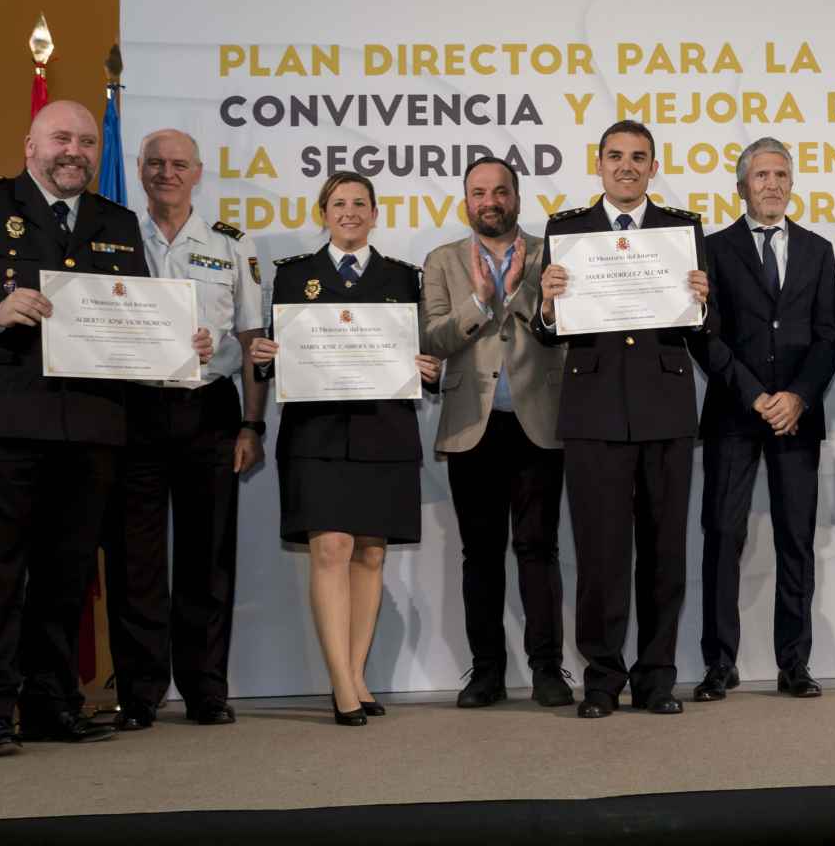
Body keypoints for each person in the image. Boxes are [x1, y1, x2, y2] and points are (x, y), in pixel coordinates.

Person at [0, 100, 203, 756]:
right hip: (2, 418)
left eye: (88, 142)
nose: (76, 150)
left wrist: (179, 341)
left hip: (91, 422)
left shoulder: (116, 221)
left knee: (68, 572)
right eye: (61, 138)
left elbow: (136, 317)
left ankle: (49, 702)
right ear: (30, 144)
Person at [532, 119, 715, 718]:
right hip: (593, 413)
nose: (627, 166)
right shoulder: (566, 232)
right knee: (601, 555)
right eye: (616, 157)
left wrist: (703, 300)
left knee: (665, 553)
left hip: (665, 412)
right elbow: (546, 332)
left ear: (653, 167)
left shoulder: (682, 231)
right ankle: (603, 678)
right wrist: (548, 303)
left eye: (639, 157)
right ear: (600, 164)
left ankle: (658, 676)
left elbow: (704, 331)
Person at [250, 171, 442, 725]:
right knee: (330, 546)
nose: (350, 212)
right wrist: (265, 356)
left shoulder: (405, 278)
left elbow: (422, 359)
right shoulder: (294, 277)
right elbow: (276, 355)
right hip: (316, 435)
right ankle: (340, 684)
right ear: (323, 212)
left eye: (361, 203)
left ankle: (357, 674)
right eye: (339, 203)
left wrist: (428, 370)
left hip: (385, 432)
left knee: (371, 553)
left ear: (375, 213)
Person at [101, 129, 267, 730]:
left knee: (209, 556)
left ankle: (205, 689)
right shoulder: (112, 238)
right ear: (140, 171)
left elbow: (252, 343)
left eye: (178, 164)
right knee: (133, 558)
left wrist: (254, 424)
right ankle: (139, 693)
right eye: (155, 164)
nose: (166, 173)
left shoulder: (231, 245)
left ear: (198, 173)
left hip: (209, 411)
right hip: (134, 412)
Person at [421, 156, 573, 709]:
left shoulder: (550, 253)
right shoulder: (441, 261)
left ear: (517, 197)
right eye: (480, 192)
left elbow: (565, 328)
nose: (491, 200)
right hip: (471, 427)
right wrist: (485, 298)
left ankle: (548, 671)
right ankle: (485, 672)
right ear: (466, 200)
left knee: (539, 549)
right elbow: (435, 338)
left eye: (501, 191)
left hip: (539, 423)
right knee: (479, 553)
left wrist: (523, 291)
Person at [693, 137, 835, 702]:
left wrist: (798, 397)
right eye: (762, 176)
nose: (773, 184)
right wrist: (757, 396)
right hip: (735, 414)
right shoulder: (713, 249)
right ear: (742, 186)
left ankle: (794, 664)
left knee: (795, 541)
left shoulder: (818, 249)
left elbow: (828, 335)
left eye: (782, 174)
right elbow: (704, 336)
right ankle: (719, 664)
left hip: (797, 418)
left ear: (792, 183)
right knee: (722, 537)